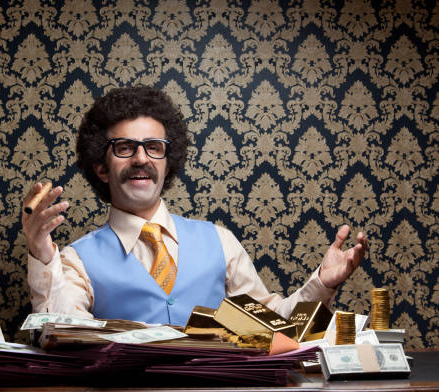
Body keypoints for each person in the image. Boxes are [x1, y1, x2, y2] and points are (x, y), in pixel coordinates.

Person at [22, 85, 367, 326]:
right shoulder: (74, 260)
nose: (141, 158)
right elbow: (62, 331)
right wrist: (41, 252)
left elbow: (274, 324)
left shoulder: (219, 241)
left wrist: (322, 282)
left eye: (154, 147)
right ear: (101, 166)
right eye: (125, 147)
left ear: (167, 163)